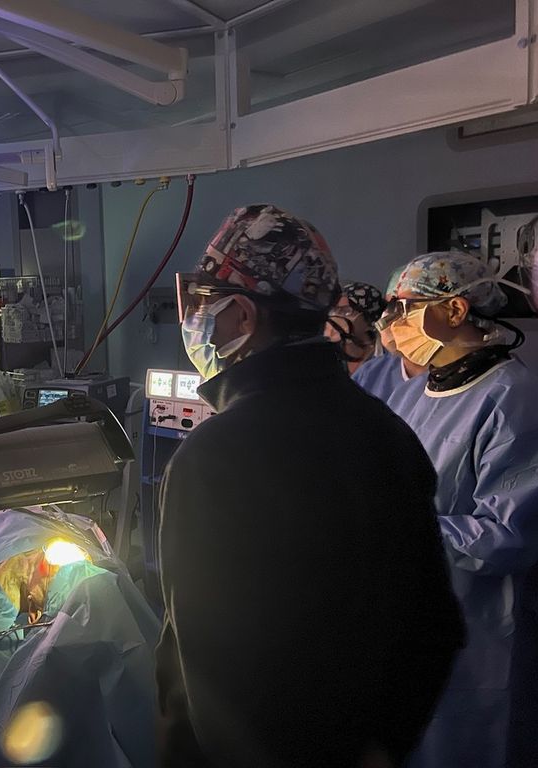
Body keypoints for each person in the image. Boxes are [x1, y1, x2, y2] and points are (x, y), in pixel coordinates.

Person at [158, 205, 464, 768]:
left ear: (242, 316)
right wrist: (381, 749)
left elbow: (205, 669)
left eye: (204, 304)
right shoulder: (387, 433)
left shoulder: (214, 457)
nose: (196, 321)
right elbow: (435, 626)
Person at [376, 251, 538, 768]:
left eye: (403, 308)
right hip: (419, 613)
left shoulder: (514, 399)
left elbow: (507, 536)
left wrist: (398, 527)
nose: (390, 325)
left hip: (484, 630)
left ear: (455, 310)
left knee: (473, 745)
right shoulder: (413, 393)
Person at [351, 268, 428, 402]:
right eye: (390, 306)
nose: (389, 317)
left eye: (407, 306)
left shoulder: (456, 379)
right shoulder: (370, 374)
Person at [324, 281, 386, 374]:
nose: (335, 316)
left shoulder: (387, 358)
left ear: (368, 319)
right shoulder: (326, 356)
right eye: (333, 310)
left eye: (345, 311)